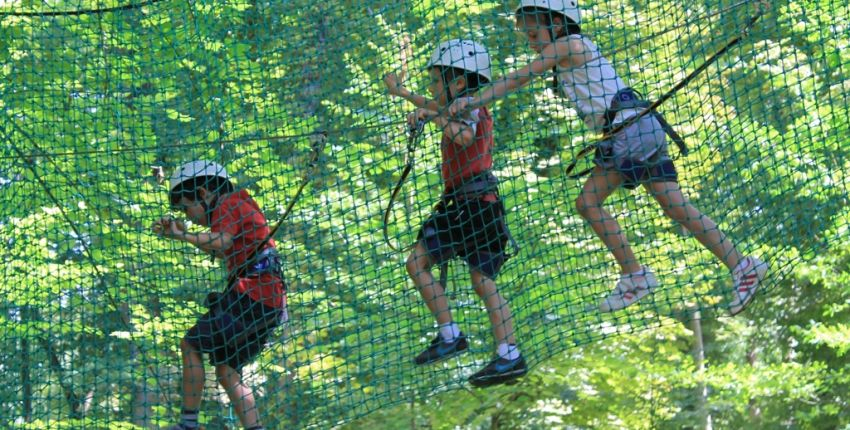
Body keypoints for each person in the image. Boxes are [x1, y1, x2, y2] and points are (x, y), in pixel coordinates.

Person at [448, 0, 767, 315]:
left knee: (588, 203)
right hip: (642, 126)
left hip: (629, 128)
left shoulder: (567, 44)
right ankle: (742, 265)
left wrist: (472, 102)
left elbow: (519, 77)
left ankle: (635, 276)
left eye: (533, 35)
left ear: (556, 25)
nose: (531, 44)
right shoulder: (566, 52)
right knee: (675, 206)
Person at [383, 38, 527, 387]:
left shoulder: (471, 105)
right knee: (419, 264)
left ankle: (508, 355)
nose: (431, 89)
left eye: (435, 80)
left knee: (479, 279)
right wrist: (404, 94)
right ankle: (452, 334)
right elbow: (433, 106)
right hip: (460, 205)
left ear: (459, 82)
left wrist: (429, 114)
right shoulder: (456, 104)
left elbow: (463, 136)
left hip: (476, 205)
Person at [152, 160, 286, 429]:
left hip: (252, 295)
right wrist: (183, 234)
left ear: (203, 193)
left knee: (190, 345)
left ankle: (188, 423)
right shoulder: (240, 205)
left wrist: (183, 236)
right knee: (226, 369)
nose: (189, 216)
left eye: (186, 207)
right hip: (268, 303)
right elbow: (221, 249)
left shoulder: (228, 204)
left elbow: (222, 241)